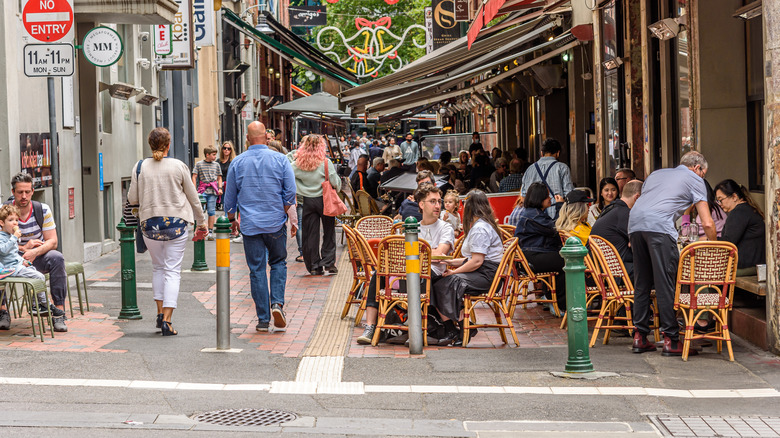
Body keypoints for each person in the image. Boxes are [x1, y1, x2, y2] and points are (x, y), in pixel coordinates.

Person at [628, 151, 716, 356]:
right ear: (697, 169)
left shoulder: (656, 175)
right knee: (666, 283)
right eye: (704, 173)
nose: (703, 177)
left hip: (634, 224)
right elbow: (707, 222)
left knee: (642, 283)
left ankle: (639, 337)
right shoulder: (695, 179)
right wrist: (716, 245)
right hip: (658, 228)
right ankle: (671, 339)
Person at [129, 127, 208, 336]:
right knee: (172, 270)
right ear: (168, 144)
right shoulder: (178, 166)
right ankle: (167, 319)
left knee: (158, 268)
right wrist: (201, 222)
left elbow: (132, 199)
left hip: (149, 225)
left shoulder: (140, 167)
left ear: (150, 144)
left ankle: (158, 313)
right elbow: (193, 197)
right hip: (176, 224)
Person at [357, 183, 454, 344]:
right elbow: (402, 255)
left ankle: (410, 327)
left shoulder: (446, 228)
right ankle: (371, 327)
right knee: (378, 274)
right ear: (421, 205)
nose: (438, 205)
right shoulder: (413, 227)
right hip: (408, 271)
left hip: (432, 273)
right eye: (433, 201)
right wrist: (429, 251)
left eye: (439, 201)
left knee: (413, 275)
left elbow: (440, 253)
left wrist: (422, 252)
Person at [225, 121, 297, 332]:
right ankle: (277, 303)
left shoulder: (237, 162)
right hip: (275, 223)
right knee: (278, 263)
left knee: (256, 270)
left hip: (250, 225)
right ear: (267, 137)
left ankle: (263, 319)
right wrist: (283, 210)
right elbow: (290, 191)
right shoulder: (281, 160)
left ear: (247, 138)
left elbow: (229, 198)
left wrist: (232, 219)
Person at [432, 190, 503, 346]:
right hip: (485, 272)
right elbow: (471, 260)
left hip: (488, 276)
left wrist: (454, 271)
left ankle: (461, 327)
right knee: (440, 282)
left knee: (446, 282)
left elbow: (477, 262)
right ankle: (459, 327)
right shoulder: (482, 225)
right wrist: (449, 262)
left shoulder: (479, 229)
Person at [3, 173, 68, 332]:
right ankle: (2, 311)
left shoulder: (42, 209)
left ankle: (58, 313)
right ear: (13, 192)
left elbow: (53, 241)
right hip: (10, 257)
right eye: (19, 192)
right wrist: (23, 248)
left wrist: (34, 252)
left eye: (27, 192)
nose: (23, 196)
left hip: (36, 257)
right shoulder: (3, 211)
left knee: (57, 258)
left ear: (32, 191)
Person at [291, 134, 341, 276]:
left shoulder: (297, 164)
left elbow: (288, 177)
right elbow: (335, 182)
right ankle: (328, 262)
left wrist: (300, 188)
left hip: (307, 200)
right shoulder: (325, 162)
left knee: (310, 234)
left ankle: (314, 265)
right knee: (329, 231)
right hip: (324, 200)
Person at [514, 182, 567, 310]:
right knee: (568, 261)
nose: (550, 199)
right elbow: (555, 228)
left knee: (559, 257)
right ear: (539, 198)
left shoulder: (534, 213)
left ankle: (550, 298)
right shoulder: (534, 215)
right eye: (547, 196)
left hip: (529, 256)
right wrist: (560, 206)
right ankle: (560, 304)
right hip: (531, 258)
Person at [0, 204, 47, 330]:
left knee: (34, 270)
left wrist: (23, 261)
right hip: (10, 270)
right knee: (40, 277)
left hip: (16, 265)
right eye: (10, 220)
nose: (14, 223)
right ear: (2, 223)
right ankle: (43, 304)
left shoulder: (11, 237)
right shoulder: (3, 237)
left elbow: (13, 255)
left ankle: (34, 303)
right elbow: (3, 251)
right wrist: (15, 237)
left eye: (16, 220)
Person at [591, 180, 642, 278]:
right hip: (617, 273)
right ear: (637, 197)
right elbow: (642, 243)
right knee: (663, 270)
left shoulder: (611, 209)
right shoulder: (625, 214)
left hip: (603, 271)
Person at [714, 179, 766, 276]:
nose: (720, 204)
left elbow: (728, 243)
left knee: (705, 274)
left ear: (734, 197)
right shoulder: (747, 209)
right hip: (757, 265)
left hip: (748, 267)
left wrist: (709, 240)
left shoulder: (739, 212)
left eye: (721, 200)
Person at [521, 138, 574, 218]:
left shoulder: (529, 169)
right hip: (556, 215)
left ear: (542, 153)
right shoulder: (562, 168)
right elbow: (569, 193)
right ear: (558, 153)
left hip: (534, 217)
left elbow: (524, 195)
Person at [192, 145, 223, 240]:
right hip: (202, 190)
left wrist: (220, 188)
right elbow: (194, 176)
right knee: (199, 210)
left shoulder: (216, 165)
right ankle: (200, 228)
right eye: (213, 155)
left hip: (213, 191)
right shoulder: (199, 164)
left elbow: (219, 177)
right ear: (207, 155)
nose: (215, 157)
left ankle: (210, 231)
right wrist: (194, 189)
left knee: (211, 211)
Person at [217, 141, 235, 212]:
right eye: (224, 148)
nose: (226, 150)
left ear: (231, 150)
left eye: (228, 148)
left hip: (229, 183)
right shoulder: (218, 161)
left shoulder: (233, 161)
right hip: (219, 183)